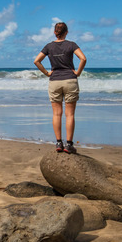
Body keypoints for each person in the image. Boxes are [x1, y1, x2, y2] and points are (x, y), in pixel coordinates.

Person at [33, 22, 87, 154]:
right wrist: (78, 72)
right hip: (70, 80)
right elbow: (83, 59)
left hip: (55, 81)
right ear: (66, 32)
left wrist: (47, 73)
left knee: (57, 113)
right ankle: (69, 144)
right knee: (70, 114)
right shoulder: (71, 44)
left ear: (54, 33)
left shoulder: (49, 46)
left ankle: (58, 142)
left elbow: (36, 61)